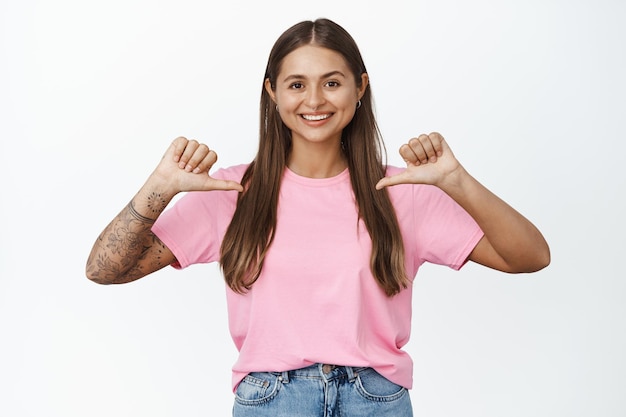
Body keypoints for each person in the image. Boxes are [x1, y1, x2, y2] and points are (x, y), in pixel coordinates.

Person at [86, 18, 550, 417]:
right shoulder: (231, 192)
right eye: (296, 84)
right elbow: (104, 270)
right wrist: (159, 188)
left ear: (359, 87)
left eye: (332, 82)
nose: (315, 100)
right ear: (271, 92)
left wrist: (457, 181)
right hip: (272, 400)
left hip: (377, 399)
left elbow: (531, 256)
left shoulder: (400, 193)